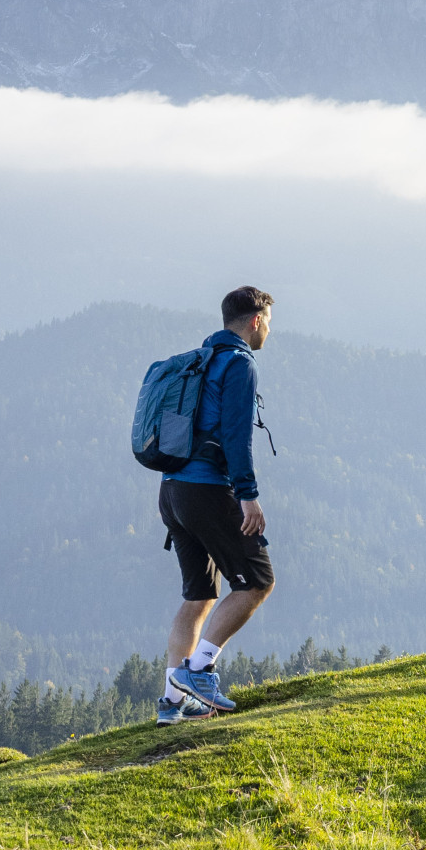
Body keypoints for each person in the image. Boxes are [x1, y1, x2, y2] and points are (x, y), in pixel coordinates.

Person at [156, 286, 276, 718]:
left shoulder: (199, 360)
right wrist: (248, 497)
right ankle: (199, 671)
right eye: (269, 322)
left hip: (172, 490)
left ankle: (172, 703)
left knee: (199, 595)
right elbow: (236, 437)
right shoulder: (240, 364)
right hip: (207, 488)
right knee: (257, 582)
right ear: (256, 321)